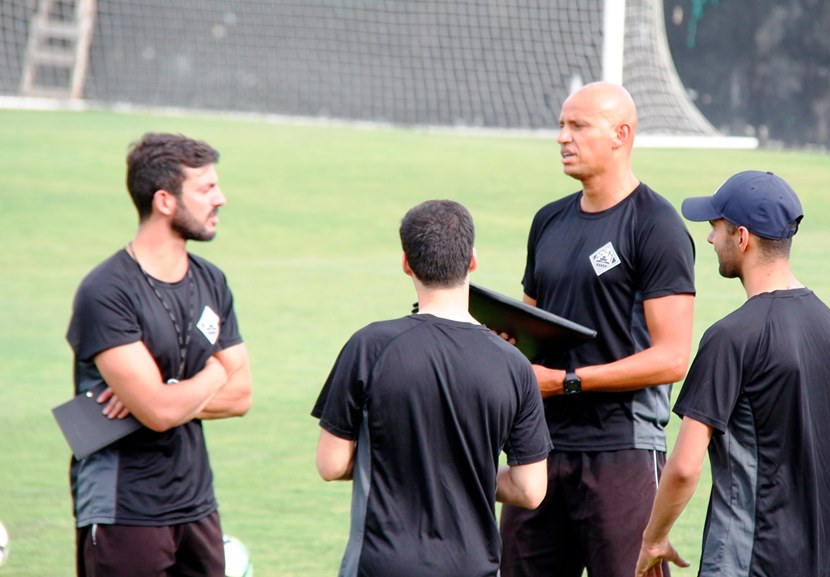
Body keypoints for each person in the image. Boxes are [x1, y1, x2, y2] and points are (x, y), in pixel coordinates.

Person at [499, 81, 696, 577]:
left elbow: (672, 358)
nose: (563, 137)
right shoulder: (548, 221)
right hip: (539, 451)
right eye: (561, 125)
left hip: (621, 452)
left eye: (578, 126)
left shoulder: (656, 225)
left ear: (620, 134)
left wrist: (567, 382)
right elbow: (529, 331)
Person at [311, 200, 552, 577]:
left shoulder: (370, 346)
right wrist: (461, 472)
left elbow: (331, 464)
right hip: (475, 568)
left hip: (382, 565)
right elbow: (530, 490)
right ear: (472, 260)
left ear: (407, 262)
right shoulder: (514, 365)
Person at [635, 170, 830, 577]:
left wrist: (654, 538)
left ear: (742, 237)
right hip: (822, 562)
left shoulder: (730, 338)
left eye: (715, 227)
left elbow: (684, 467)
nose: (709, 239)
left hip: (747, 561)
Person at [66, 132, 253, 577]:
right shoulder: (106, 292)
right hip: (122, 507)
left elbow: (242, 396)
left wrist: (167, 393)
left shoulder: (212, 281)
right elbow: (159, 412)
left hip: (196, 503)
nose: (221, 199)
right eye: (206, 189)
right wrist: (216, 370)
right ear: (165, 201)